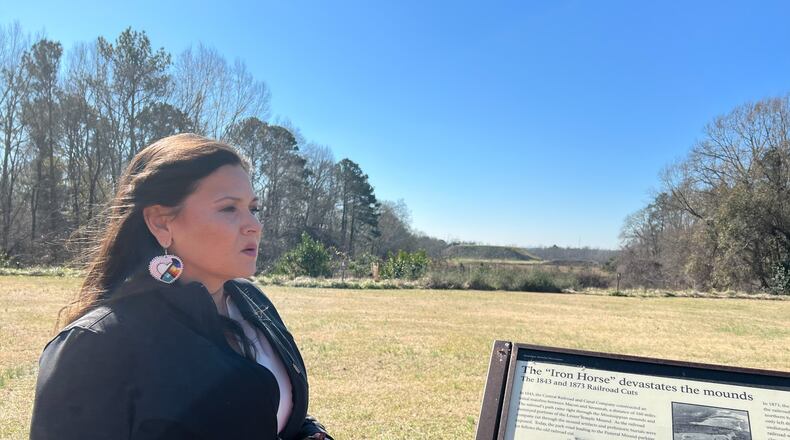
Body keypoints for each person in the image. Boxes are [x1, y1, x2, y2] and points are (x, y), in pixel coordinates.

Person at [29, 133, 332, 440]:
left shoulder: (253, 302)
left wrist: (307, 431)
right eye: (229, 208)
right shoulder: (96, 344)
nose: (254, 224)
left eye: (253, 208)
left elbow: (269, 411)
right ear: (161, 222)